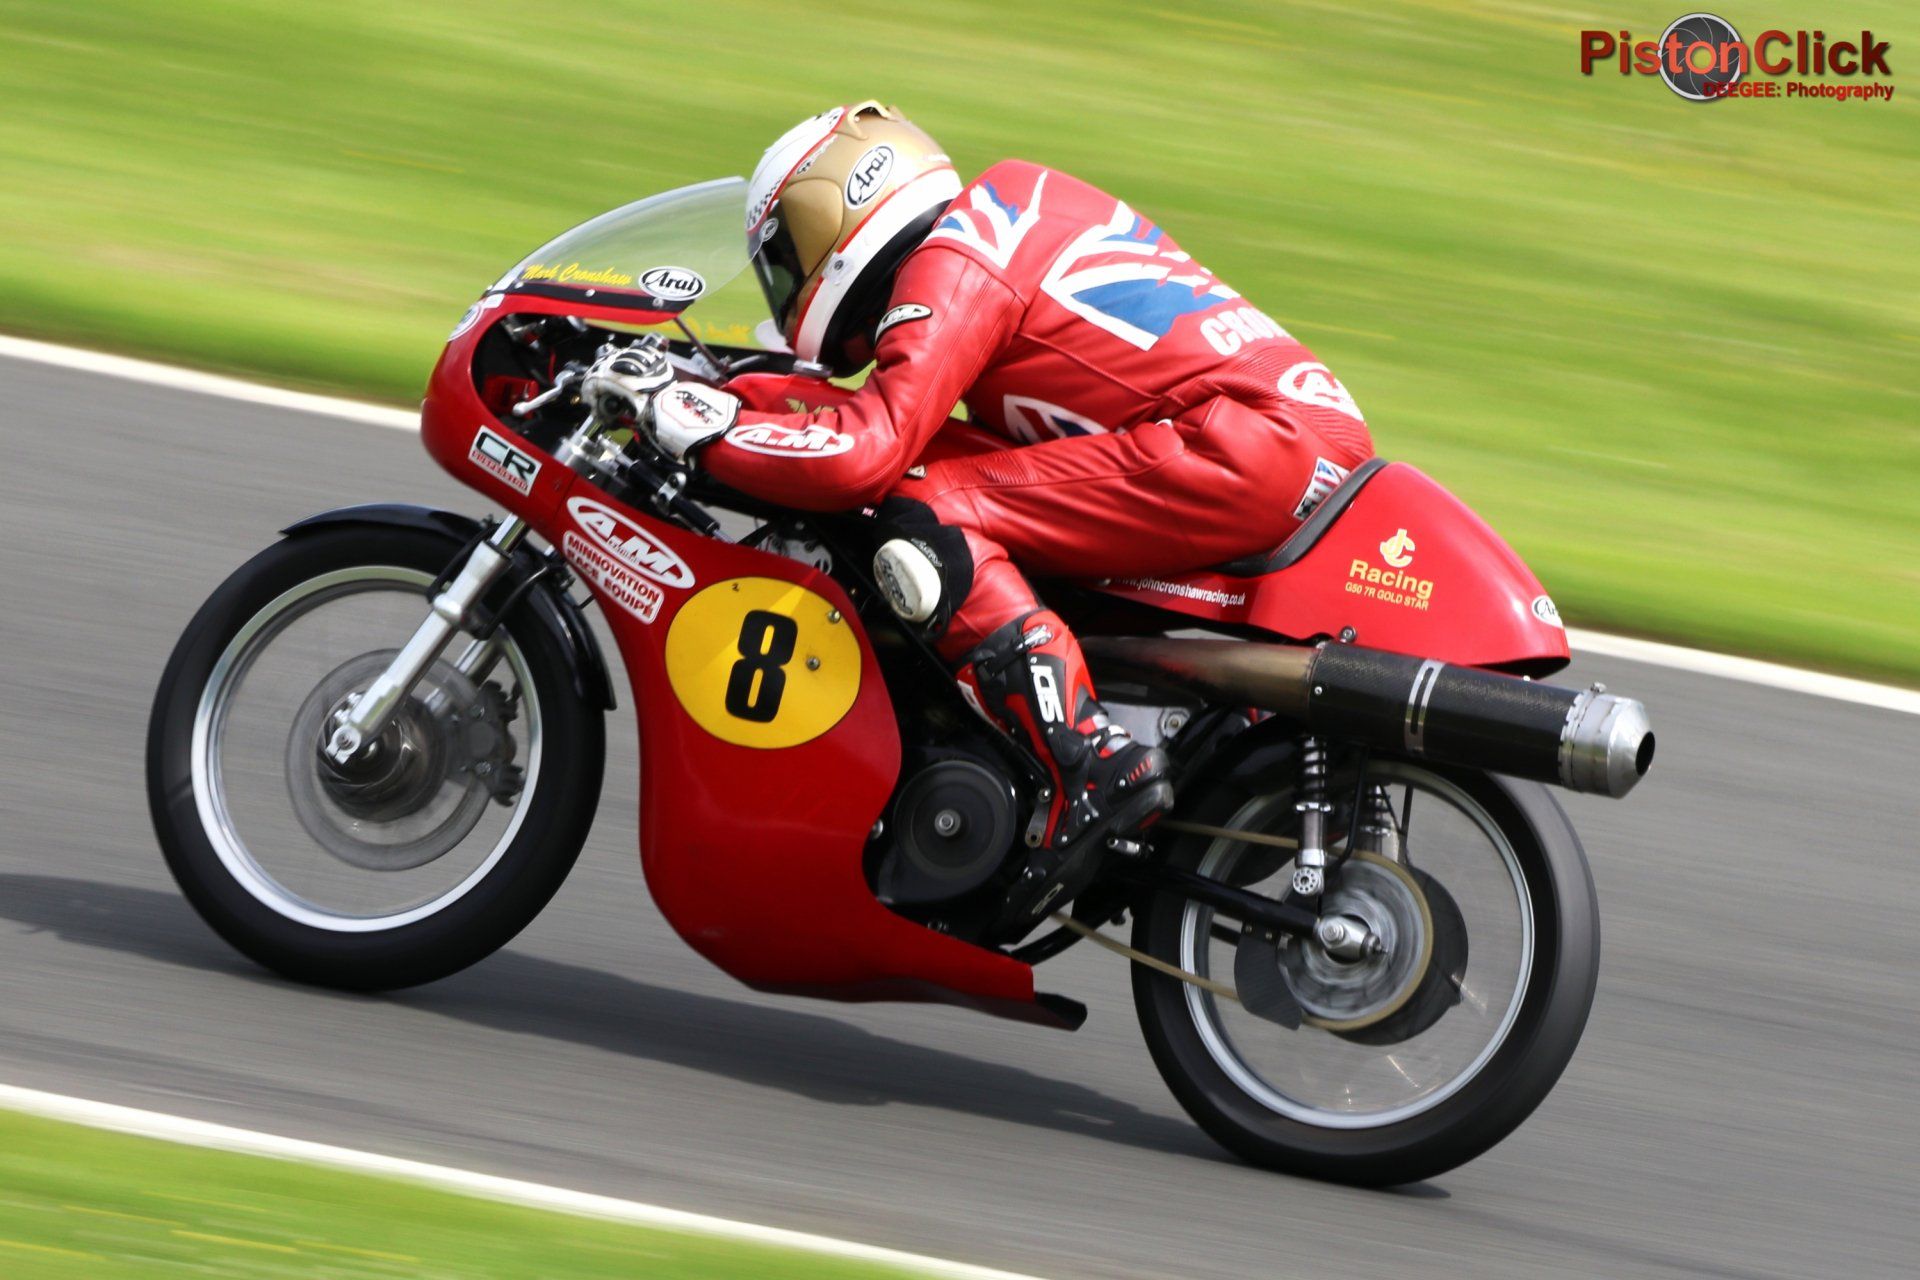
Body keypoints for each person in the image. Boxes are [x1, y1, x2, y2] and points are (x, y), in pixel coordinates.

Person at [587, 101, 1374, 922]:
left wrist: (701, 427)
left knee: (923, 508)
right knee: (954, 486)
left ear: (843, 206)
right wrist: (729, 395)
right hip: (1271, 435)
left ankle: (1087, 757)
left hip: (1246, 443)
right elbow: (924, 428)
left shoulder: (958, 254)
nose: (787, 285)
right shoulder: (1000, 218)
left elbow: (868, 452)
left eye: (787, 253)